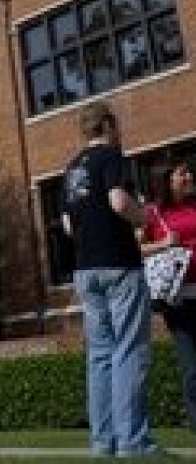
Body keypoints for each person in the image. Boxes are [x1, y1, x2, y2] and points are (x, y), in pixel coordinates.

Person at [62, 102, 163, 457]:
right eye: (116, 125)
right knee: (129, 351)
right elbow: (119, 202)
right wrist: (144, 218)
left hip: (85, 270)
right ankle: (134, 442)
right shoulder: (112, 158)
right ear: (106, 125)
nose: (119, 131)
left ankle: (103, 441)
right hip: (119, 265)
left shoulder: (71, 170)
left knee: (100, 355)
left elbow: (67, 226)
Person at [142, 160, 196, 429]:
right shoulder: (153, 213)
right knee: (192, 366)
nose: (189, 176)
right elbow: (134, 248)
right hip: (178, 299)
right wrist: (165, 243)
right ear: (168, 180)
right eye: (182, 173)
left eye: (188, 172)